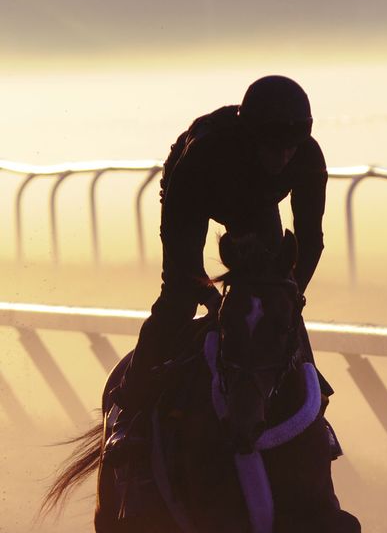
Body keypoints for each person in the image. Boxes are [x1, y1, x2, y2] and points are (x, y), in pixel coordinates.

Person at [105, 75, 335, 463]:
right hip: (195, 188)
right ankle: (129, 414)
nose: (282, 159)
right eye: (272, 148)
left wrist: (289, 293)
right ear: (251, 137)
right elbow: (184, 256)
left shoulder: (308, 157)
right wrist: (210, 298)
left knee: (278, 305)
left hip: (253, 204)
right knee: (177, 300)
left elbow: (310, 241)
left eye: (290, 150)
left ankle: (312, 411)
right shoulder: (205, 155)